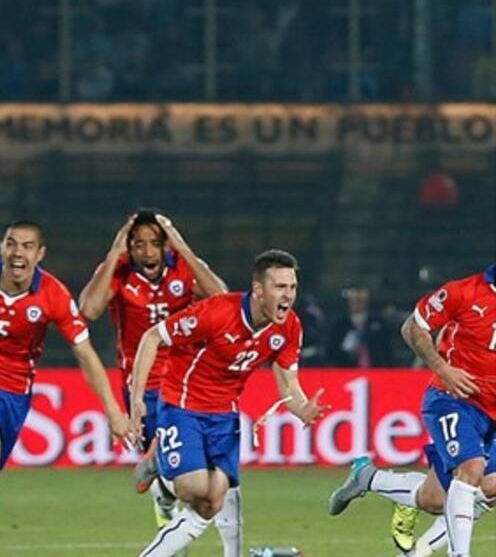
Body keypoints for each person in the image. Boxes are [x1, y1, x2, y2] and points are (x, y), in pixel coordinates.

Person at [0, 220, 133, 557]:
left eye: (28, 246)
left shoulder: (53, 294)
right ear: (1, 247)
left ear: (40, 254)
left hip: (16, 391)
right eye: (12, 244)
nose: (18, 252)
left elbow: (85, 354)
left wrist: (113, 410)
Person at [130, 249, 328, 557]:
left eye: (292, 287)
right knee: (193, 489)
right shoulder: (217, 312)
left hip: (224, 414)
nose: (288, 295)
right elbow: (153, 337)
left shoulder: (289, 327)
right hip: (183, 405)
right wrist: (137, 400)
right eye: (280, 287)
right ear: (259, 289)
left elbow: (288, 382)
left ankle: (162, 491)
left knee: (213, 502)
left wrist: (302, 408)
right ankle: (164, 478)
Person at [329, 264, 496, 557]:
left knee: (436, 499)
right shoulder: (464, 293)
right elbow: (412, 327)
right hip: (454, 399)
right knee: (471, 469)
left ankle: (368, 478)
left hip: (491, 415)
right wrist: (443, 369)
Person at [79, 209, 227, 530]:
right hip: (141, 381)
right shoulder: (118, 272)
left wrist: (184, 248)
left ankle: (160, 480)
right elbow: (88, 310)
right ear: (130, 248)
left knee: (194, 468)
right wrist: (113, 252)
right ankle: (162, 490)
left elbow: (222, 298)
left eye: (155, 243)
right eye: (139, 244)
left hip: (184, 379)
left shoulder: (185, 270)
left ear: (166, 246)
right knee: (179, 474)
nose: (148, 251)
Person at [326, 286, 393, 367]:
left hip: (375, 369)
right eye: (355, 301)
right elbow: (331, 352)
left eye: (360, 301)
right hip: (347, 370)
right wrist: (345, 350)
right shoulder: (339, 324)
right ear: (349, 302)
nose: (358, 304)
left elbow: (387, 349)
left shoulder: (379, 323)